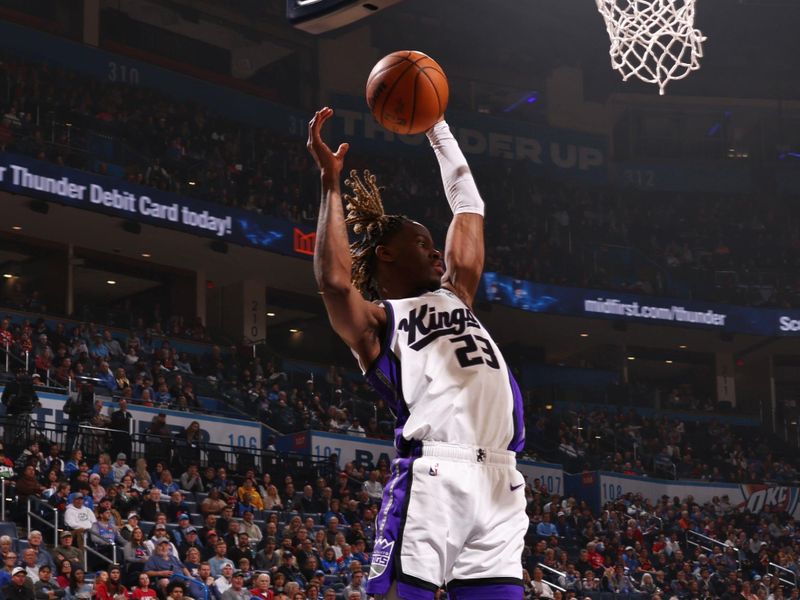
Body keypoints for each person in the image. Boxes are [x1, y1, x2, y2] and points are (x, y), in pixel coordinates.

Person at [307, 107, 527, 600]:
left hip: (502, 481)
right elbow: (334, 282)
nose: (435, 252)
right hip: (435, 474)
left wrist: (437, 127)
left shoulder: (457, 294)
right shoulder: (380, 321)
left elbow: (469, 204)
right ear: (385, 254)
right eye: (422, 243)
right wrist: (330, 184)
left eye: (435, 244)